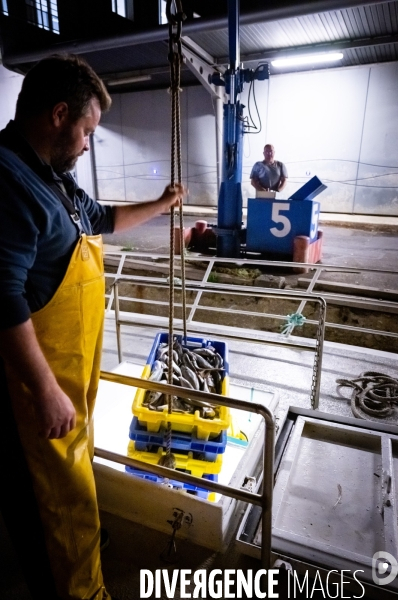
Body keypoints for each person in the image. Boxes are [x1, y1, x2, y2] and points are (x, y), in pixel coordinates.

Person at [0, 54, 184, 600]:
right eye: (86, 130)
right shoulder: (9, 182)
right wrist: (45, 388)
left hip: (68, 375)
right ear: (59, 115)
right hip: (36, 391)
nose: (87, 144)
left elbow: (102, 218)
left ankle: (77, 568)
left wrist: (162, 203)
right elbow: (2, 295)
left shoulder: (53, 178)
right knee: (46, 497)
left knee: (71, 488)